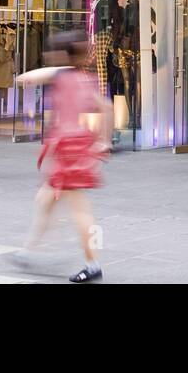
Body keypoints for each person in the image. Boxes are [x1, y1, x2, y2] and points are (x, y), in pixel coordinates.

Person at [11, 30, 112, 282]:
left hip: (69, 150)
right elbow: (107, 107)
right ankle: (26, 252)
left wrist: (59, 68)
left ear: (62, 53)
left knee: (79, 209)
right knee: (44, 201)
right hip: (74, 147)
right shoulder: (85, 78)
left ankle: (92, 264)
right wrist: (104, 141)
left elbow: (24, 78)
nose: (48, 55)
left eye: (52, 50)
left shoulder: (62, 75)